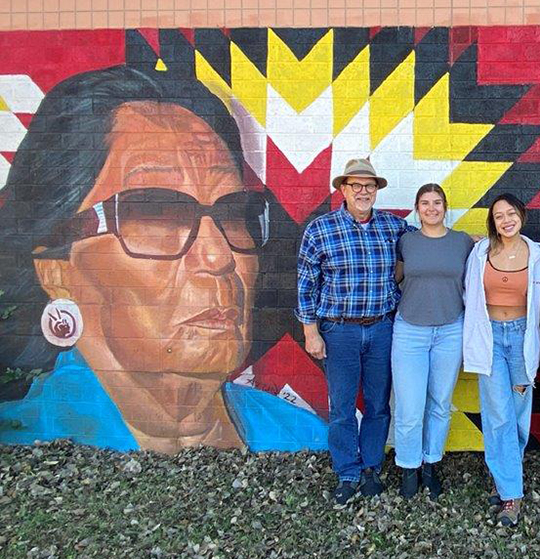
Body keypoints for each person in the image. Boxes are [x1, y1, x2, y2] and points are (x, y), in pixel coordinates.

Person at [0, 65, 326, 453]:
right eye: (156, 213)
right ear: (56, 269)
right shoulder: (21, 444)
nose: (218, 255)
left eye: (232, 213)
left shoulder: (303, 440)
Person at [296, 157, 410, 505]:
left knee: (378, 404)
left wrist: (481, 241)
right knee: (343, 406)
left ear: (377, 191)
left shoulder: (394, 227)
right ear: (343, 190)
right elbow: (305, 286)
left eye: (369, 186)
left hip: (382, 329)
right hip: (339, 332)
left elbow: (433, 243)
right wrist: (310, 332)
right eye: (356, 186)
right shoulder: (320, 230)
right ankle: (347, 471)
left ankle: (371, 466)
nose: (363, 192)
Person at [462, 193, 540, 526]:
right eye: (498, 216)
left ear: (521, 215)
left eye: (511, 213)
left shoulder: (537, 253)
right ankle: (512, 494)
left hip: (522, 338)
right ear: (492, 222)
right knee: (498, 415)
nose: (506, 220)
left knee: (519, 415)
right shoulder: (480, 252)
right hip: (490, 338)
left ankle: (505, 474)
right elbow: (469, 293)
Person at [391, 184, 474, 499]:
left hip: (450, 329)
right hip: (410, 330)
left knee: (439, 403)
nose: (431, 208)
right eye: (425, 203)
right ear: (417, 208)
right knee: (410, 407)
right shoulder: (406, 242)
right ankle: (408, 467)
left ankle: (430, 464)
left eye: (437, 202)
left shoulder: (462, 242)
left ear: (445, 206)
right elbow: (395, 277)